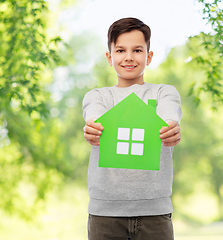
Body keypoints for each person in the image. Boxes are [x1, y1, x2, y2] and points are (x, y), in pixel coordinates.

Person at [82, 17, 182, 240]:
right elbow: (94, 115)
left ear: (149, 56)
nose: (129, 57)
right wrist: (92, 127)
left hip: (155, 213)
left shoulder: (164, 93)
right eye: (120, 50)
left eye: (137, 50)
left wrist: (171, 129)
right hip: (105, 214)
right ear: (110, 57)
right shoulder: (99, 96)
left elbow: (169, 116)